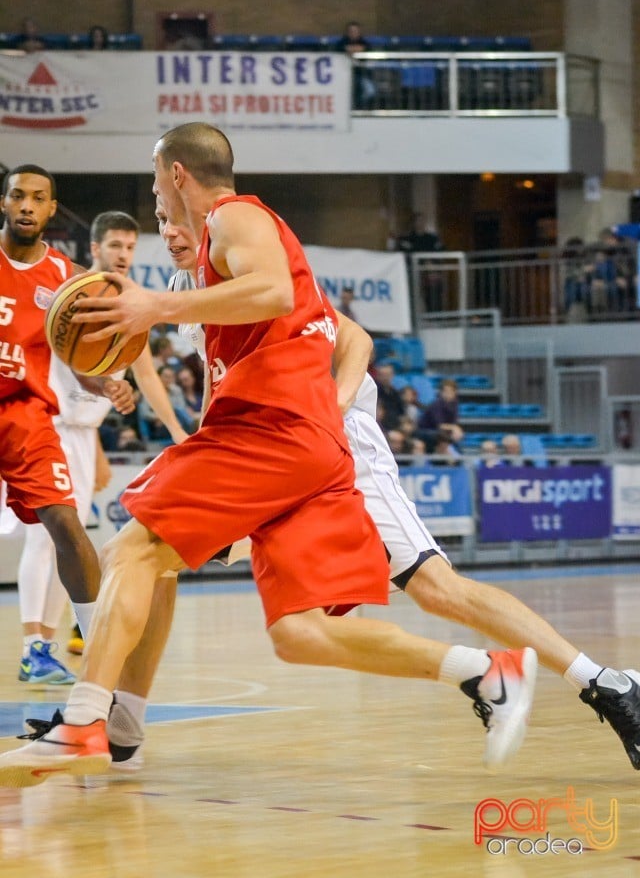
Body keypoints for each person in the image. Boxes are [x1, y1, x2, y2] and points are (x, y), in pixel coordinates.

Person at [19, 189, 639, 782]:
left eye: (172, 216)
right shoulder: (190, 289)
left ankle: (601, 680)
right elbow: (219, 383)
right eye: (159, 222)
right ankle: (122, 722)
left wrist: (330, 409)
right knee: (174, 565)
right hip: (268, 448)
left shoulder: (246, 255)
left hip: (328, 440)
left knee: (434, 587)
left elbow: (356, 339)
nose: (169, 231)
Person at [16, 210, 190, 677]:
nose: (122, 255)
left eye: (130, 247)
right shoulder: (69, 293)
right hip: (42, 422)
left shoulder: (129, 303)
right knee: (47, 534)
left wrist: (176, 432)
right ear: (93, 249)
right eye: (114, 245)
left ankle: (46, 645)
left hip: (79, 430)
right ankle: (35, 645)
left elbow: (147, 372)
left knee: (67, 542)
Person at [0, 165, 135, 685]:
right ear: (5, 203)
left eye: (38, 198)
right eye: (17, 196)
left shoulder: (64, 277)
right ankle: (38, 646)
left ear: (52, 209)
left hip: (27, 417)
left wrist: (104, 384)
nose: (27, 205)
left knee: (65, 526)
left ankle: (100, 654)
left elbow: (78, 357)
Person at [418, 378, 464, 449]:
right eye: (445, 391)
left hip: (441, 432)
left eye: (451, 391)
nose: (448, 394)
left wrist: (455, 429)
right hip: (426, 431)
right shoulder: (436, 404)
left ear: (455, 392)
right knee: (445, 436)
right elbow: (440, 425)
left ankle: (457, 456)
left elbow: (454, 423)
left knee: (456, 435)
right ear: (441, 392)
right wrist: (454, 428)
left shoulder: (454, 405)